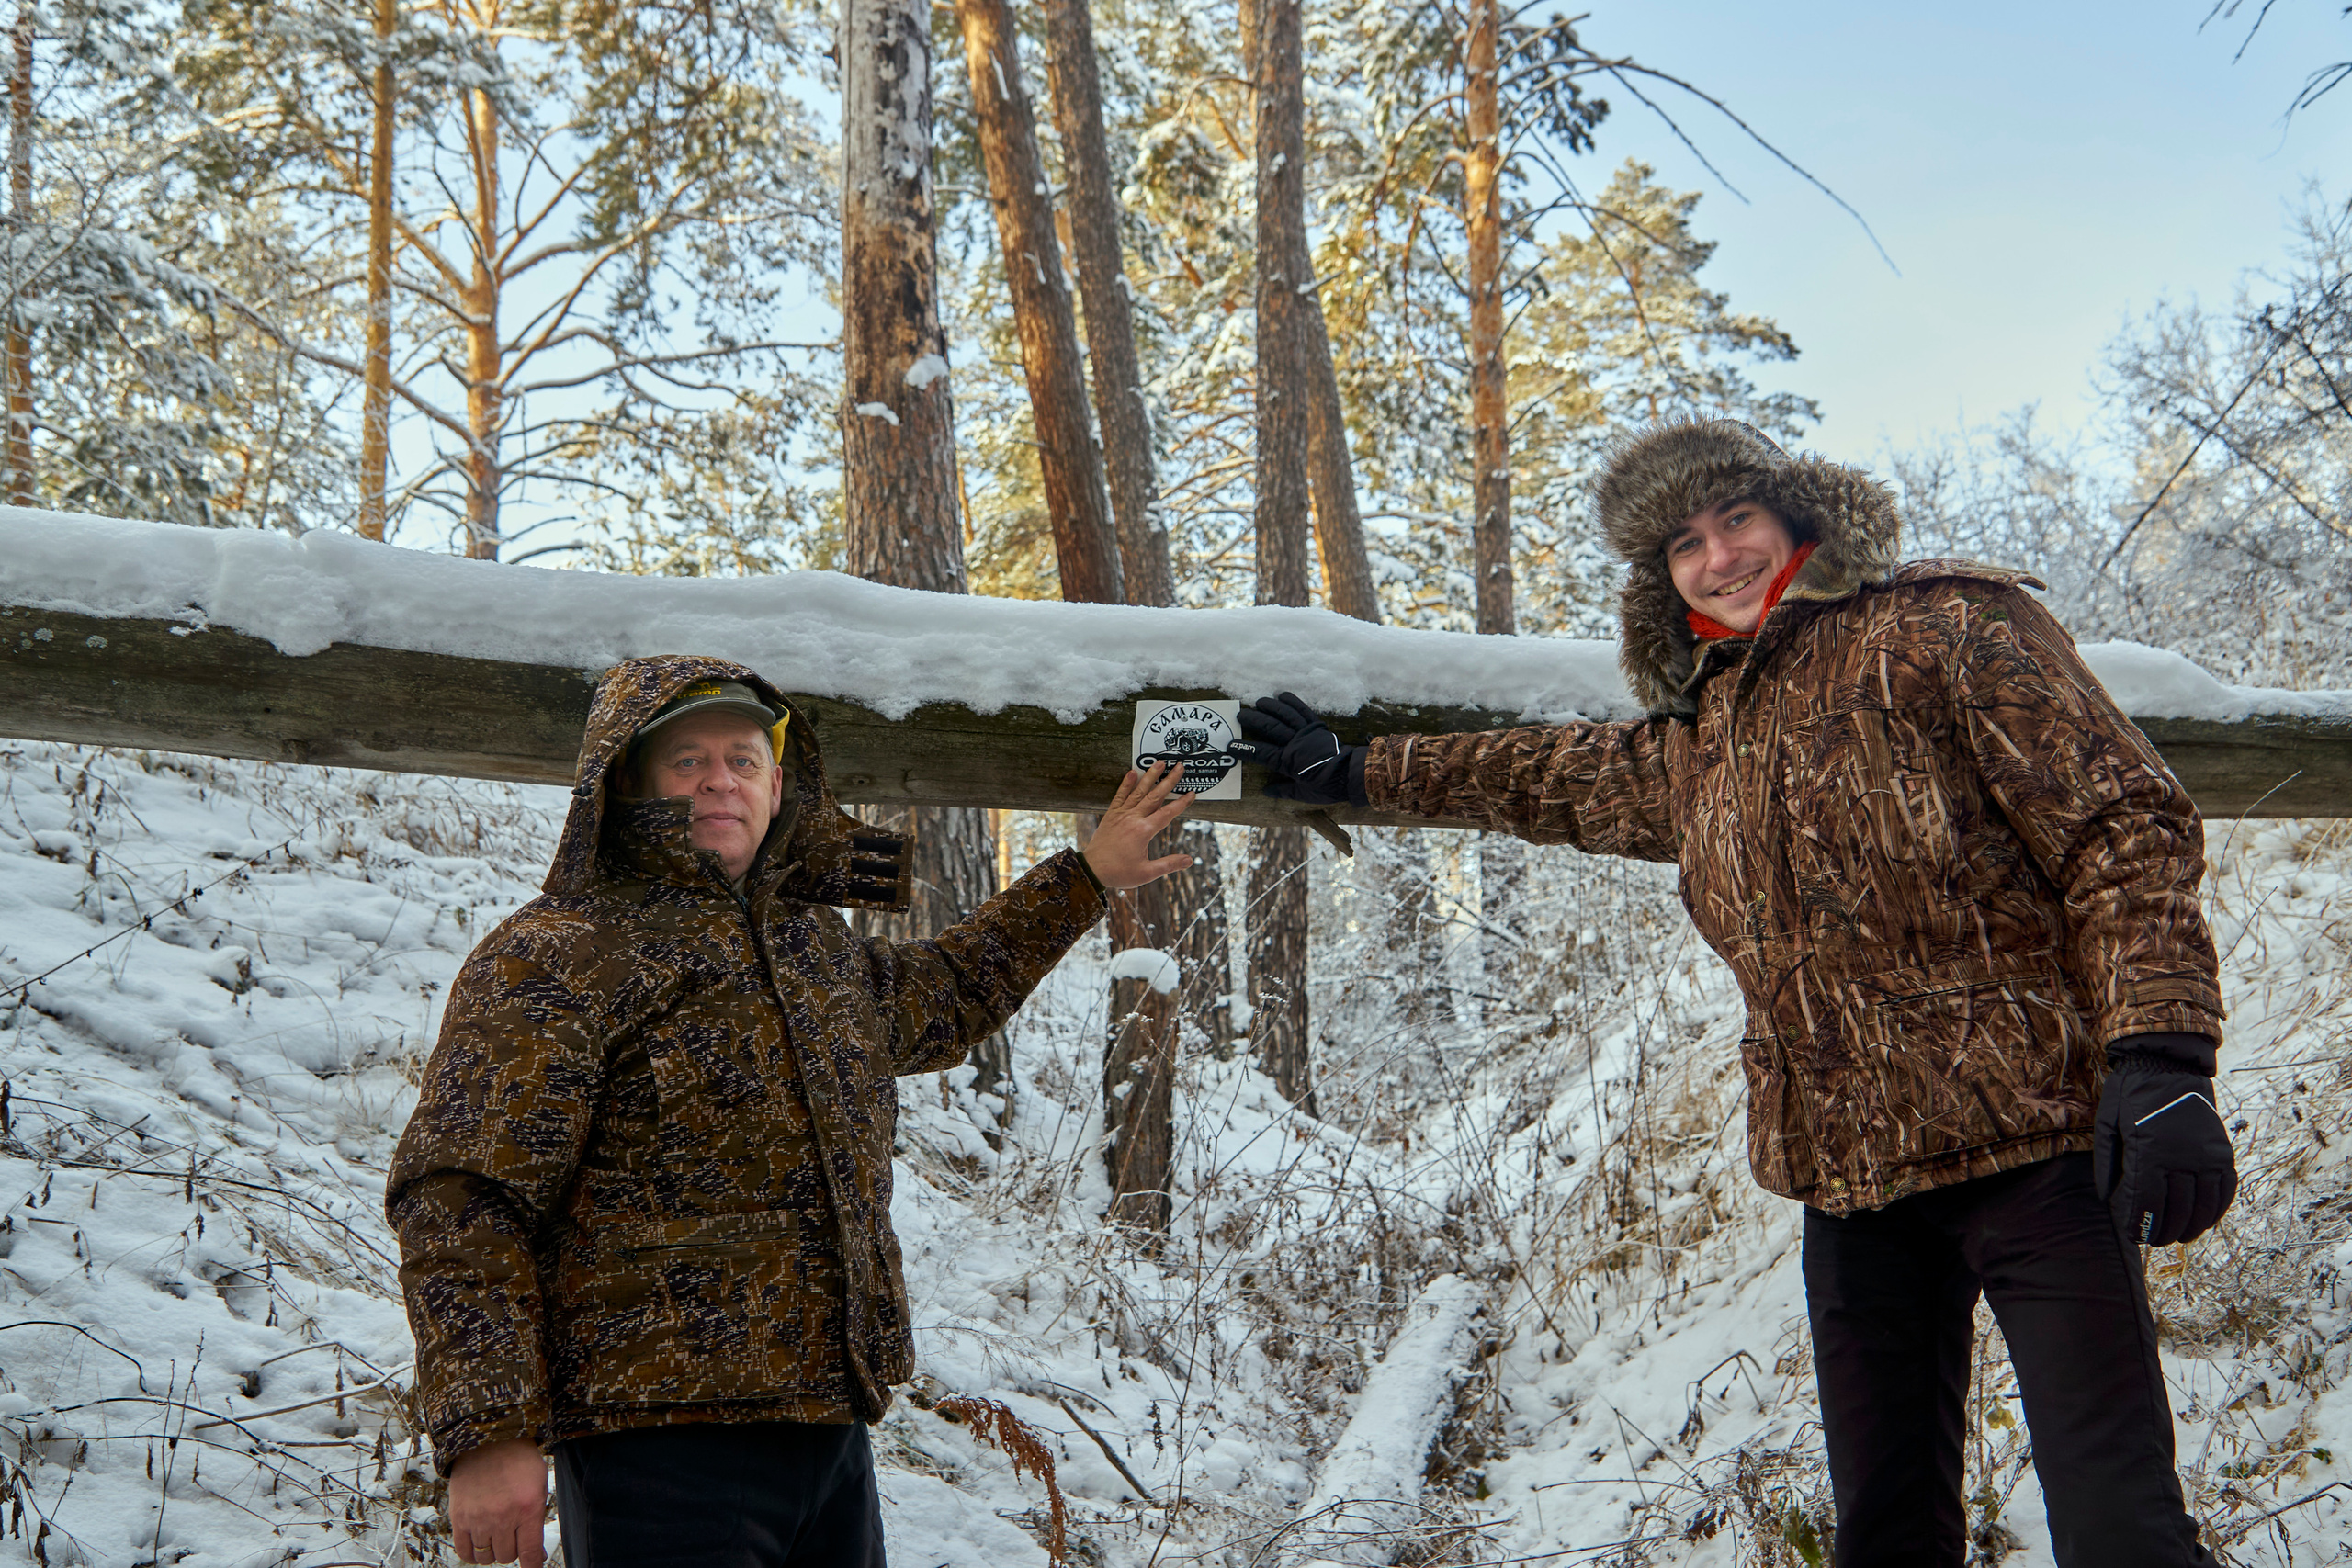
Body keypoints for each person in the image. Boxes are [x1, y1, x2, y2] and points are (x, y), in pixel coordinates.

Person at [1231, 420, 2238, 1568]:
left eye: (1735, 520)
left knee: (2121, 1531)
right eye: (1682, 546)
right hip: (1852, 1191)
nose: (1717, 558)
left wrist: (2161, 1057)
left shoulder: (1945, 626)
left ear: (1797, 516)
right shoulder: (1704, 731)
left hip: (2039, 1153)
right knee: (1887, 1539)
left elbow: (2121, 824)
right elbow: (1546, 778)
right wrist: (1354, 769)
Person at [388, 654, 1194, 1568]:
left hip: (829, 1431)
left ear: (779, 786)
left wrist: (1087, 872)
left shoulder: (817, 950)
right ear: (629, 782)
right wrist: (490, 1433)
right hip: (652, 1444)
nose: (718, 781)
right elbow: (459, 1196)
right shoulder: (557, 954)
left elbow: (953, 991)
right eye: (686, 760)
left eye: (741, 759)